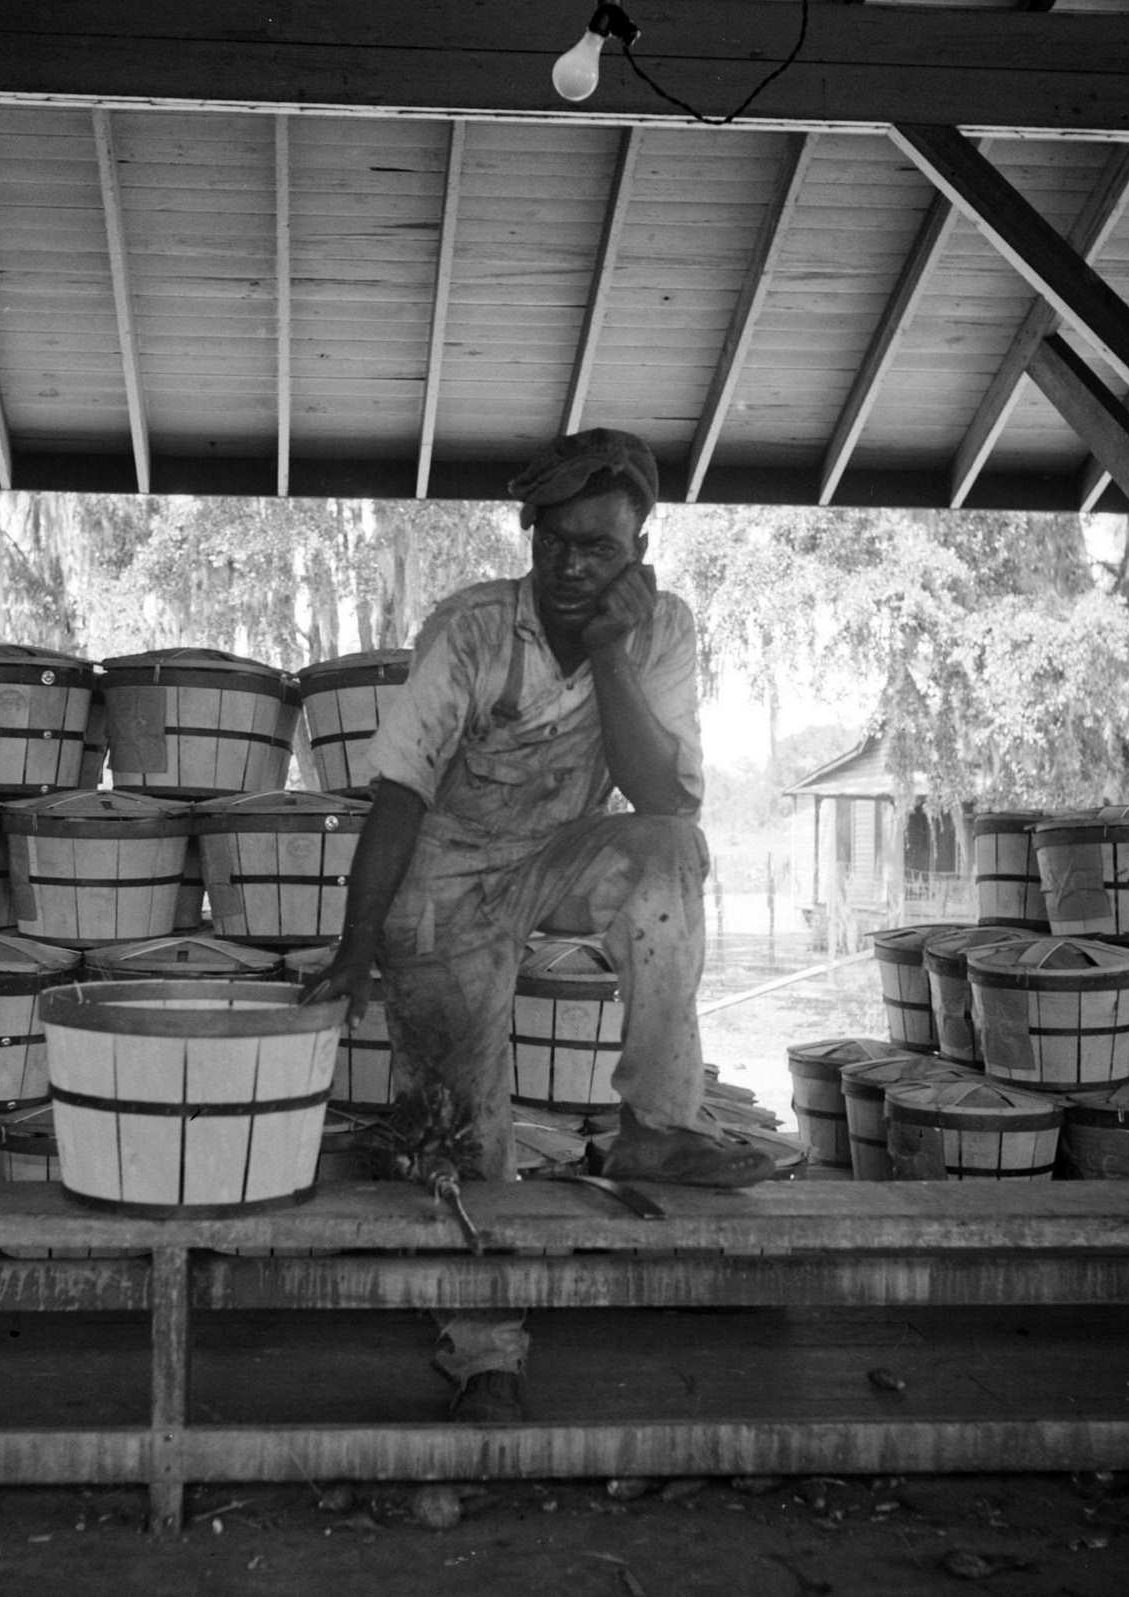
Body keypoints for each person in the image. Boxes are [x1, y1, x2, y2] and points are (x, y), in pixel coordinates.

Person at [306, 427, 775, 1423]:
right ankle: (484, 1355)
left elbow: (661, 796)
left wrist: (610, 652)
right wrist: (358, 947)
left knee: (669, 853)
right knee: (465, 1130)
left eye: (596, 547)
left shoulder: (663, 630)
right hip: (442, 891)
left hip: (555, 862)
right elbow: (396, 795)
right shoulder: (474, 629)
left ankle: (656, 1124)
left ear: (638, 553)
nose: (568, 564)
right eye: (552, 541)